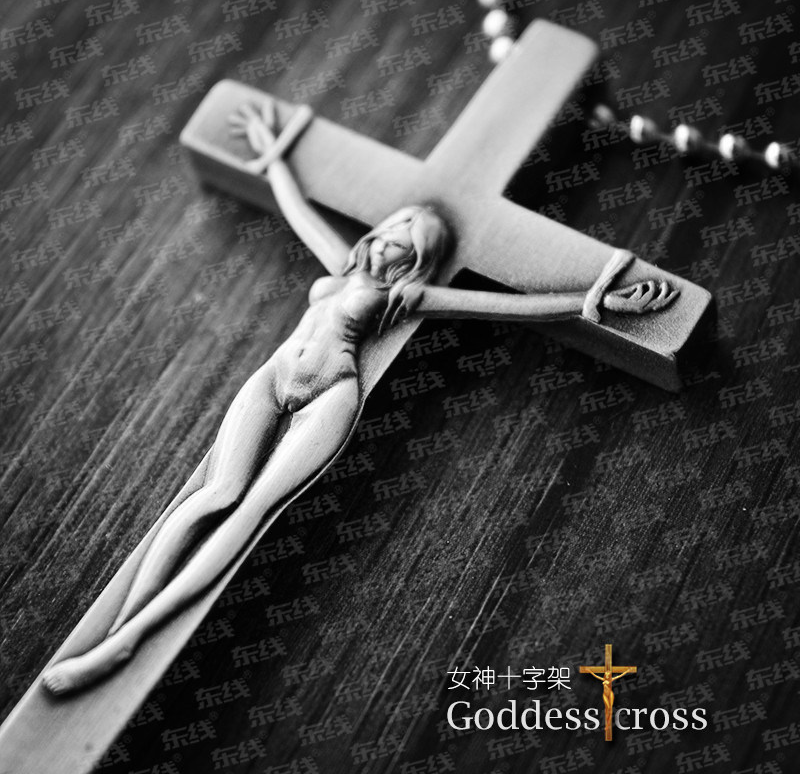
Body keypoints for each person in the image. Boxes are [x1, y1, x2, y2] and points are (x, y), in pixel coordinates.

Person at [43, 101, 677, 694]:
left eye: (406, 233)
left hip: (332, 395)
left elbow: (509, 307)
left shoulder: (408, 296)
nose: (389, 233)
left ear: (420, 253)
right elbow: (297, 209)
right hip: (274, 377)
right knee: (214, 494)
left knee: (250, 512)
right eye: (393, 224)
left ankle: (128, 642)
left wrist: (596, 299)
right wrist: (275, 154)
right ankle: (118, 625)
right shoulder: (341, 269)